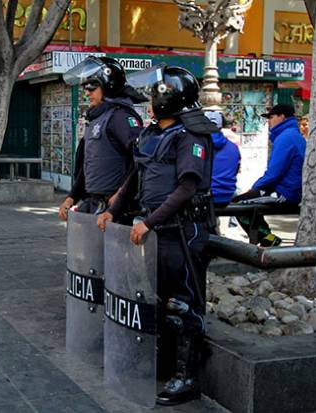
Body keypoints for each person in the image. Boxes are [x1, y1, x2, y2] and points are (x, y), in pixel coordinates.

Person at [98, 65, 218, 406]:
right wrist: (113, 210)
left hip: (182, 230)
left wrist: (148, 222)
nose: (151, 100)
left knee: (181, 304)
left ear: (169, 98)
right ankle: (163, 365)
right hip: (155, 230)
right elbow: (134, 178)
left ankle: (187, 377)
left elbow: (186, 188)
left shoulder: (190, 136)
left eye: (156, 94)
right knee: (157, 299)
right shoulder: (151, 134)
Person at [58, 56, 145, 220]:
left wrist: (121, 196)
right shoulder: (97, 118)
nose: (87, 92)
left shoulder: (120, 117)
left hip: (113, 207)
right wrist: (72, 197)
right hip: (94, 203)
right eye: (85, 87)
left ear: (108, 85)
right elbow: (89, 164)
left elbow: (141, 161)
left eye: (92, 87)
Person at [232, 104, 306, 247]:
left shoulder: (286, 137)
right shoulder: (294, 135)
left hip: (285, 193)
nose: (269, 121)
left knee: (238, 203)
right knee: (245, 202)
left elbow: (273, 173)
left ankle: (268, 238)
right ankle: (267, 238)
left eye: (271, 117)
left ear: (282, 117)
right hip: (290, 190)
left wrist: (254, 188)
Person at [205, 111, 241, 208]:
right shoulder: (233, 147)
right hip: (228, 195)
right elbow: (236, 170)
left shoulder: (199, 145)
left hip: (206, 196)